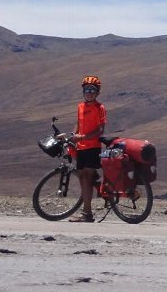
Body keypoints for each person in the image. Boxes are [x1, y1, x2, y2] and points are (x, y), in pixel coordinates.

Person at [63, 75, 107, 223]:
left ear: (97, 92)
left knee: (86, 178)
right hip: (81, 147)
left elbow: (100, 130)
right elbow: (78, 123)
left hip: (92, 147)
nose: (89, 92)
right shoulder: (80, 106)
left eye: (92, 90)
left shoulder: (99, 108)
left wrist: (82, 137)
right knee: (83, 178)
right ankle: (96, 196)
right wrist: (73, 136)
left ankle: (87, 214)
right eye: (86, 89)